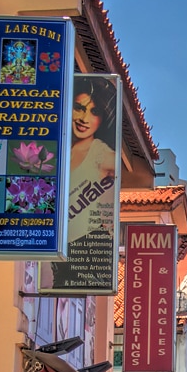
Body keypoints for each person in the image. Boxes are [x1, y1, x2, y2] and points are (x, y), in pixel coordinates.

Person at [67, 77, 118, 246]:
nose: (84, 118)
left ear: (103, 118)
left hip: (87, 246)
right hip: (53, 245)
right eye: (78, 108)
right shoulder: (57, 151)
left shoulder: (103, 155)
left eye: (94, 112)